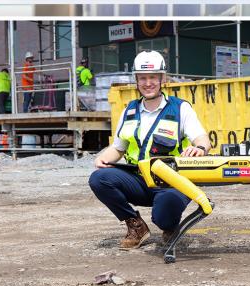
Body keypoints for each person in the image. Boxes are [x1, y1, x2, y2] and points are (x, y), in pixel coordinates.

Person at [88, 50, 212, 250]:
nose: (148, 83)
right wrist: (103, 158)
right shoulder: (129, 111)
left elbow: (202, 138)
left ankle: (169, 226)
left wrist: (199, 148)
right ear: (136, 80)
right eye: (142, 78)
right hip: (140, 179)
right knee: (99, 179)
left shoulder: (180, 108)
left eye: (153, 77)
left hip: (172, 181)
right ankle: (136, 226)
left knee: (163, 215)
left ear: (162, 78)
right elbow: (118, 148)